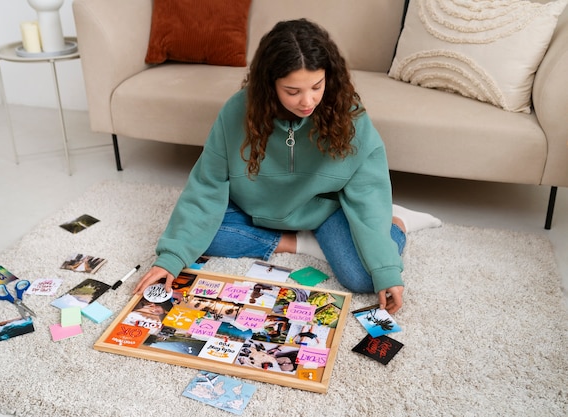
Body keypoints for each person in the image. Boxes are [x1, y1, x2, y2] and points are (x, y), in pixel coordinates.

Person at [133, 19, 441, 314]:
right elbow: (206, 186)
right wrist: (170, 259)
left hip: (323, 212)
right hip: (251, 209)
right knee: (194, 240)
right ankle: (300, 242)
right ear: (269, 85)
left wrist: (387, 269)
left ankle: (397, 222)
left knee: (362, 277)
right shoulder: (236, 112)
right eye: (292, 91)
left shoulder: (350, 116)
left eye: (317, 86)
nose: (307, 101)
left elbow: (369, 193)